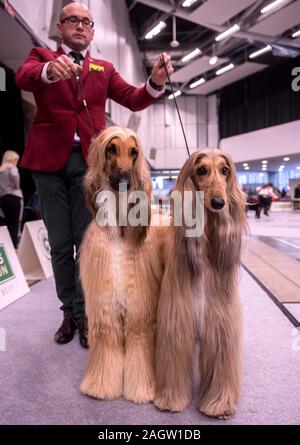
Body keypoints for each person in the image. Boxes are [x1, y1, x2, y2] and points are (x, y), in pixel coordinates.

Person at [15, 2, 173, 348]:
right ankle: (68, 313)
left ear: (92, 31)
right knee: (59, 245)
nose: (81, 26)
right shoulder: (41, 56)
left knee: (88, 245)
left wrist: (155, 82)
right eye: (74, 20)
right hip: (48, 165)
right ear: (60, 26)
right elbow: (22, 76)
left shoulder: (103, 67)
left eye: (88, 22)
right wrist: (48, 73)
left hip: (91, 167)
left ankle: (86, 314)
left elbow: (133, 98)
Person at [0, 150, 23, 248]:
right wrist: (17, 186)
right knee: (14, 223)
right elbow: (14, 176)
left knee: (6, 223)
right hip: (14, 197)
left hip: (3, 198)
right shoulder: (12, 168)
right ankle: (13, 246)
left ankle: (5, 245)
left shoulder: (1, 170)